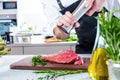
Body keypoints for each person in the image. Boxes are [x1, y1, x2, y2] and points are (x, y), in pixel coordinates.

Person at [41, 0, 105, 54]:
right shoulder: (49, 1)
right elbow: (58, 33)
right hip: (86, 49)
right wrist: (63, 26)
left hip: (113, 45)